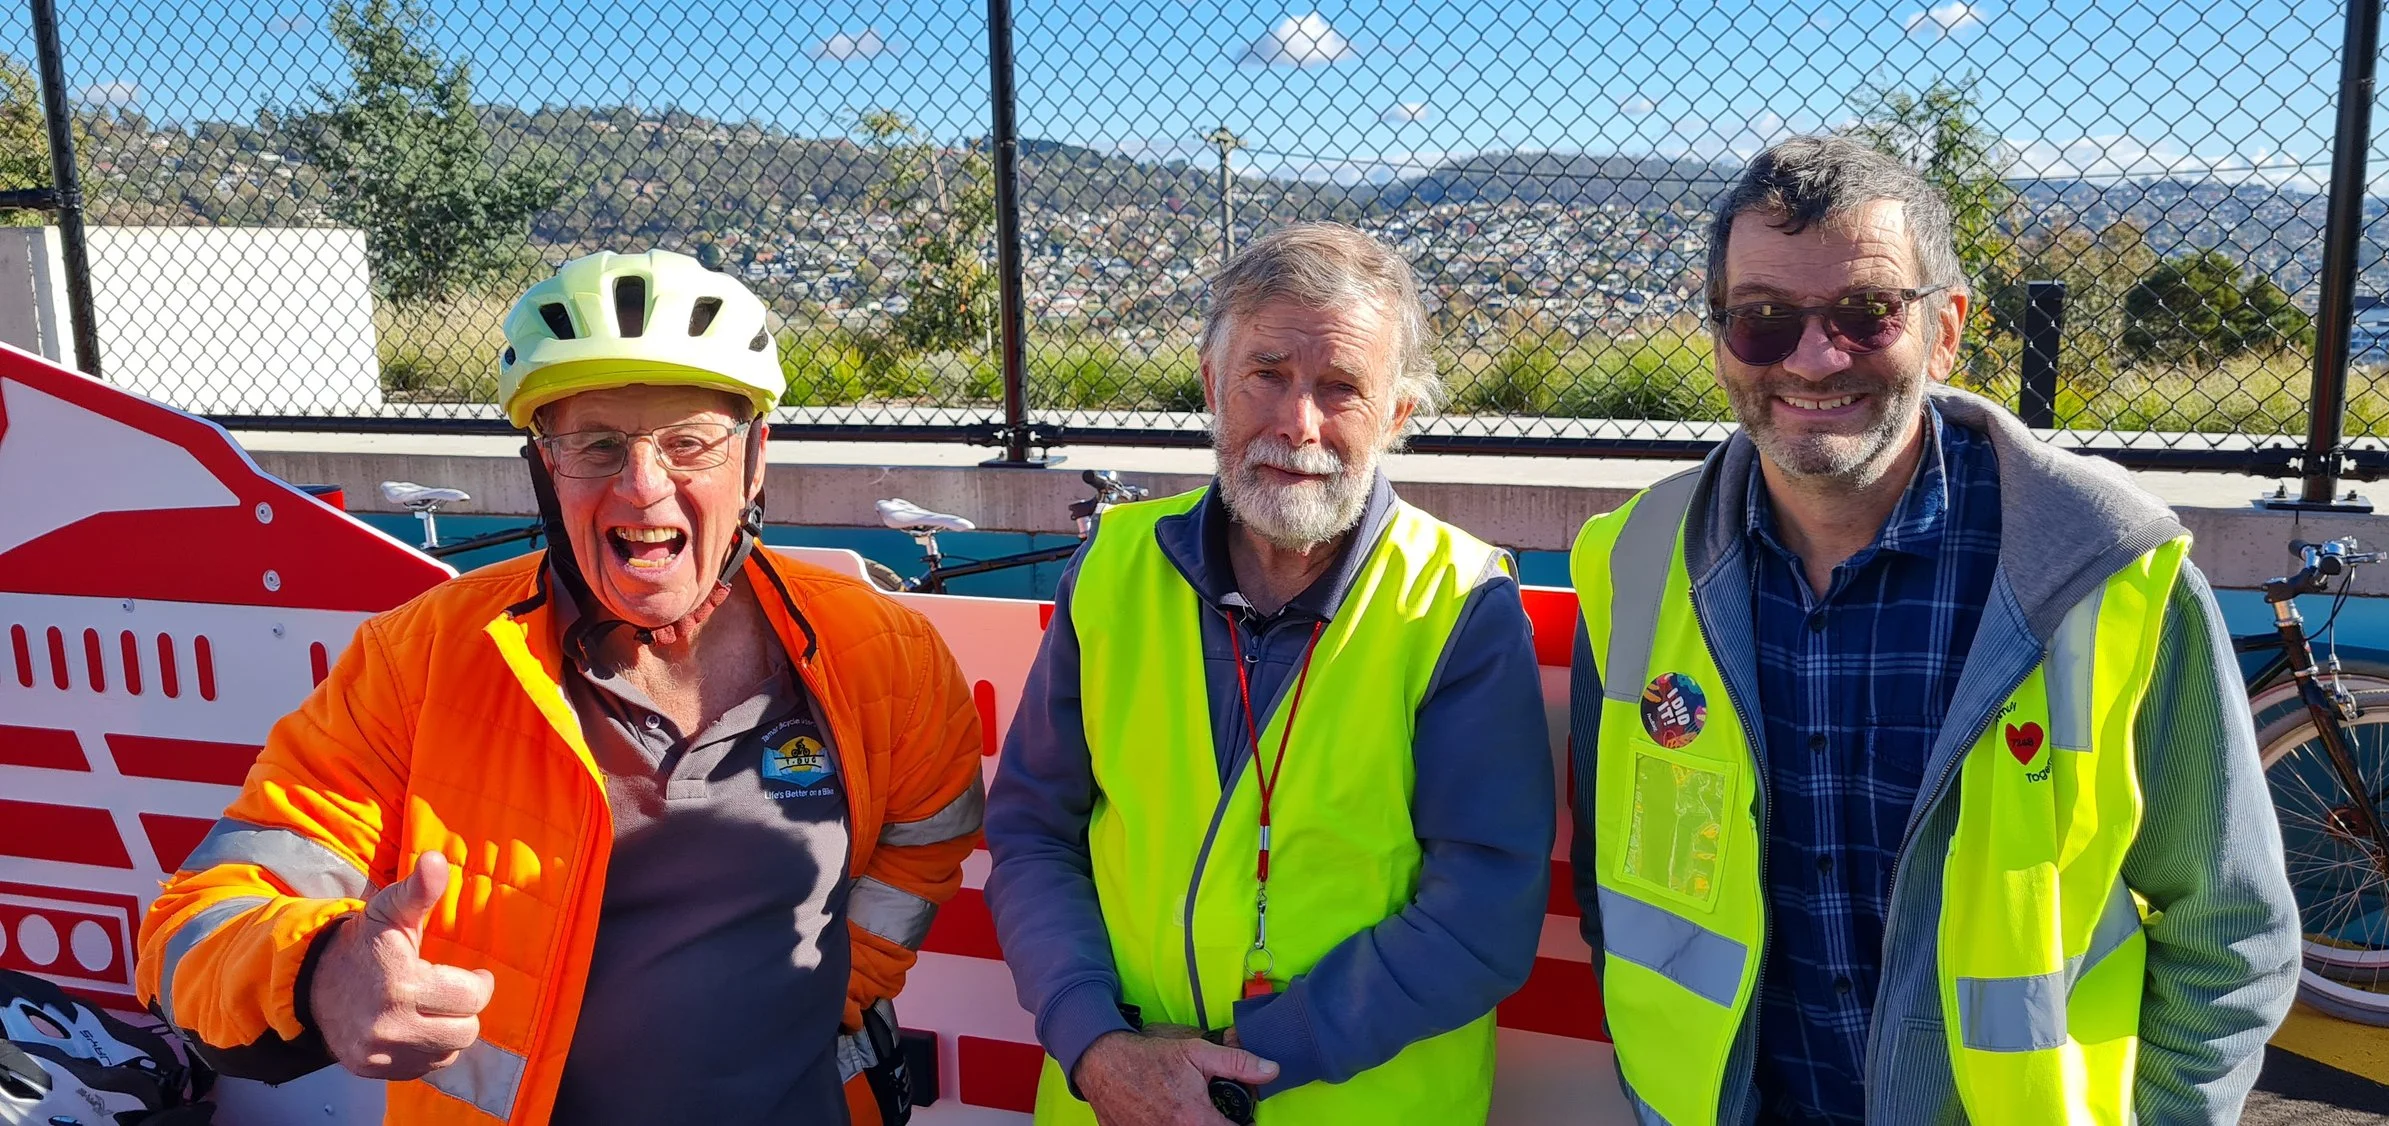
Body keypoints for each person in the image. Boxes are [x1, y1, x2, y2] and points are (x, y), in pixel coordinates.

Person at [136, 249, 986, 1126]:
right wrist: (317, 973)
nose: (643, 486)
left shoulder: (882, 652)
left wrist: (853, 985)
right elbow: (196, 924)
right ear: (544, 469)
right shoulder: (421, 657)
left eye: (689, 442)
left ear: (755, 459)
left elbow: (928, 838)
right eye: (595, 445)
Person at [1568, 136, 2301, 1125]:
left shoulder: (2101, 575)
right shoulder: (1635, 565)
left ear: (1945, 327)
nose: (1813, 356)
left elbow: (2228, 934)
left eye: (1865, 313)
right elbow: (1617, 894)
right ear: (1718, 338)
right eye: (1761, 320)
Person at [984, 222, 1555, 1125]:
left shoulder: (1458, 601)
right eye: (1267, 375)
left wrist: (1237, 1073)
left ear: (1397, 417)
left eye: (1341, 389)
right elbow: (1032, 833)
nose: (1299, 424)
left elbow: (1483, 910)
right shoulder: (1111, 568)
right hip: (1111, 1100)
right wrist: (1098, 1045)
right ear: (1213, 383)